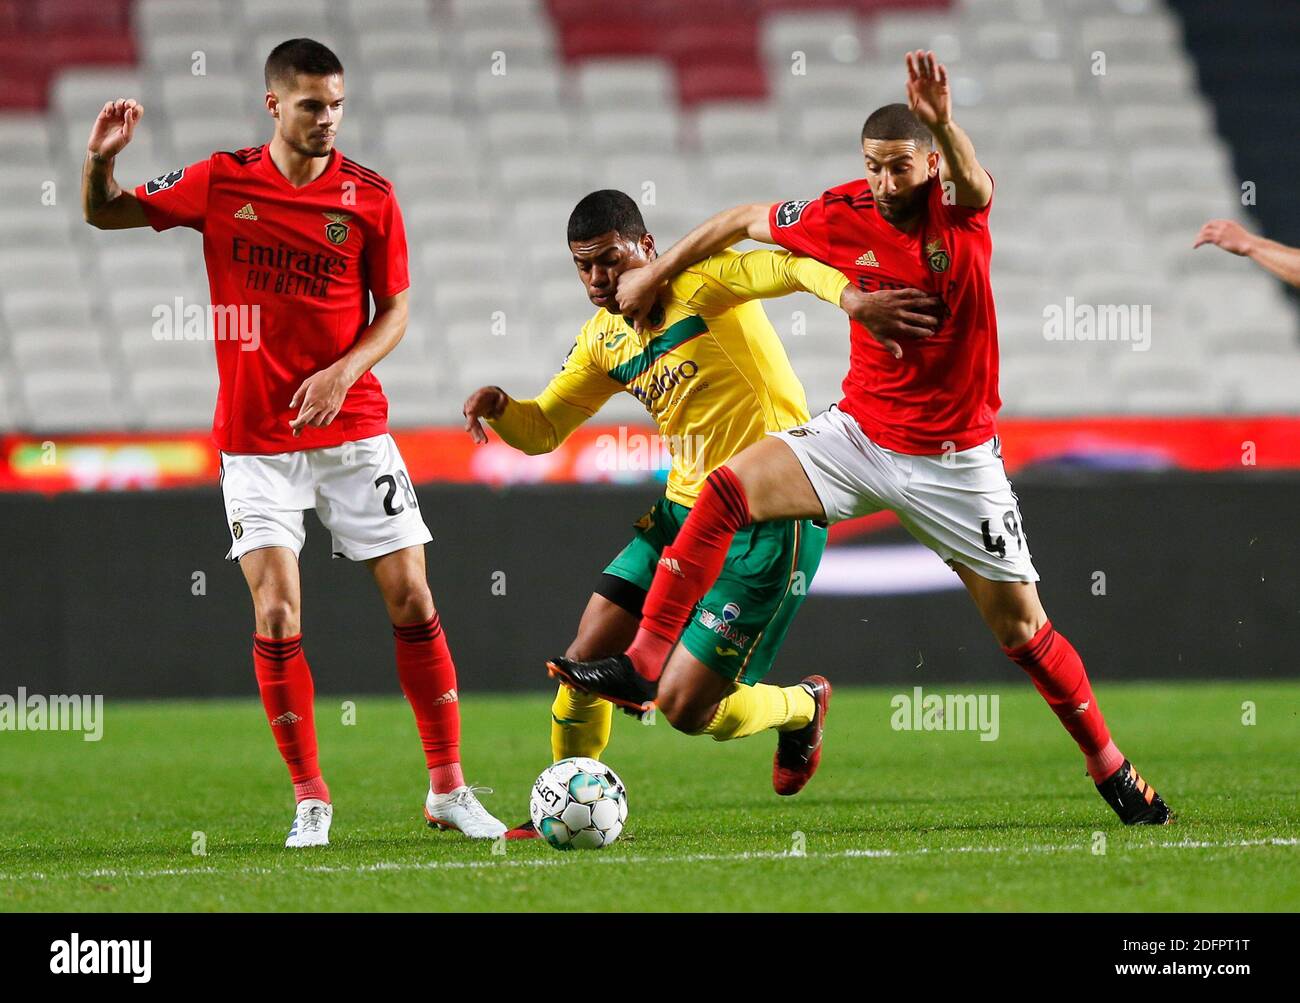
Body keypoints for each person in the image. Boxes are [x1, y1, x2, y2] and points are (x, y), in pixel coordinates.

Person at [552, 52, 1172, 826]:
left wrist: (944, 120)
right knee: (726, 489)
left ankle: (1110, 767)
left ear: (931, 163)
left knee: (1024, 630)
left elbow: (976, 183)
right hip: (859, 435)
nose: (884, 183)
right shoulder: (844, 211)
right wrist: (661, 270)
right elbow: (744, 219)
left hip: (955, 463)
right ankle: (645, 661)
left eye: (900, 166)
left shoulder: (958, 213)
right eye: (873, 167)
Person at [81, 38, 505, 846]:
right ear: (274, 105)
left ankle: (448, 786)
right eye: (312, 105)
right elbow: (103, 212)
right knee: (277, 614)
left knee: (414, 597)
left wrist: (344, 372)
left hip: (354, 433)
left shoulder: (371, 197)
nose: (328, 119)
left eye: (337, 105)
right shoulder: (221, 179)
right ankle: (311, 796)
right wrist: (100, 164)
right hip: (256, 442)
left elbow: (397, 312)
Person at [464, 190, 900, 835]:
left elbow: (786, 264)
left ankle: (801, 707)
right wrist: (503, 407)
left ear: (644, 247)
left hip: (769, 515)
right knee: (584, 658)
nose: (596, 280)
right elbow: (545, 429)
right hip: (679, 514)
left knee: (685, 708)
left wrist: (850, 298)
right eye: (582, 267)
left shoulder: (702, 284)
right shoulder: (605, 338)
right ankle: (562, 798)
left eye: (608, 261)